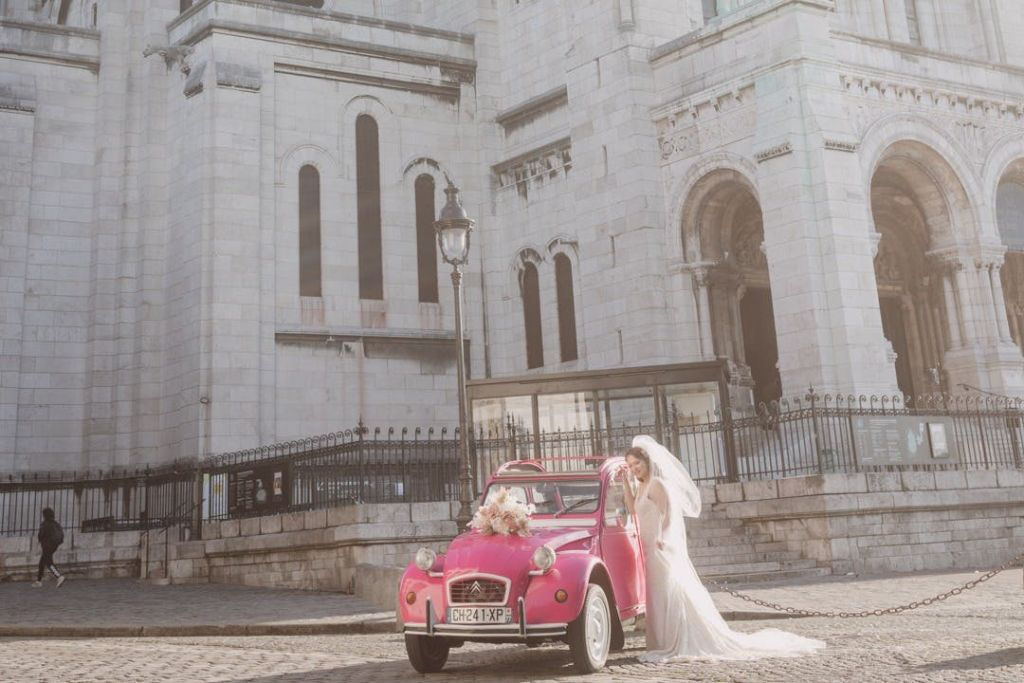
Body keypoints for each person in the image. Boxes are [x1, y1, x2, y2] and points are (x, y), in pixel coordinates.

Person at [622, 435, 823, 662]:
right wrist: (624, 484)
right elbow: (633, 509)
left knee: (671, 593)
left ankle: (680, 639)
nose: (634, 468)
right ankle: (662, 641)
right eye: (630, 466)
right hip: (648, 548)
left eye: (637, 463)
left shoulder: (658, 484)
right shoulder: (641, 486)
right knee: (657, 595)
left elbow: (668, 515)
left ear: (647, 461)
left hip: (660, 547)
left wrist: (664, 538)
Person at [33, 507, 66, 588]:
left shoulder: (45, 524)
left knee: (48, 563)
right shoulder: (56, 524)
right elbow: (61, 535)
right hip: (54, 545)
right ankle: (38, 581)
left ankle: (59, 576)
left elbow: (41, 535)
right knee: (42, 562)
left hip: (47, 545)